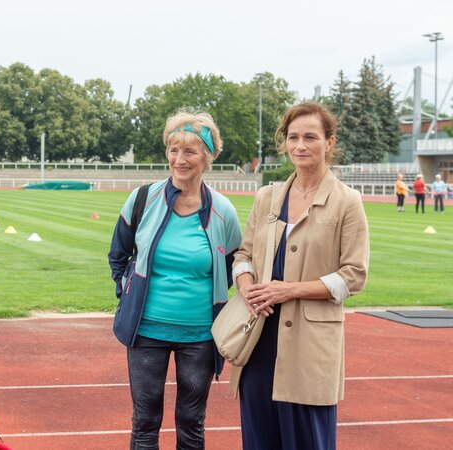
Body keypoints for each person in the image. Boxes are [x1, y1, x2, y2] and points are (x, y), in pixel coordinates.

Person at [231, 102, 369, 450]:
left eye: (310, 136)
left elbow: (353, 276)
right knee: (259, 439)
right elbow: (243, 256)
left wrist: (288, 290)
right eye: (293, 137)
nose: (300, 145)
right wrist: (247, 288)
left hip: (311, 345)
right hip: (258, 338)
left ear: (329, 143)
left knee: (307, 441)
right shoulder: (267, 197)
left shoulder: (346, 202)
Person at [109, 110, 243, 449]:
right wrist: (125, 291)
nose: (179, 159)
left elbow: (235, 262)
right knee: (145, 423)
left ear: (207, 157)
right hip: (146, 330)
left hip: (199, 335)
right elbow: (119, 253)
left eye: (190, 151)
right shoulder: (143, 198)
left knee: (191, 424)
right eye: (173, 149)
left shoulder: (223, 210)